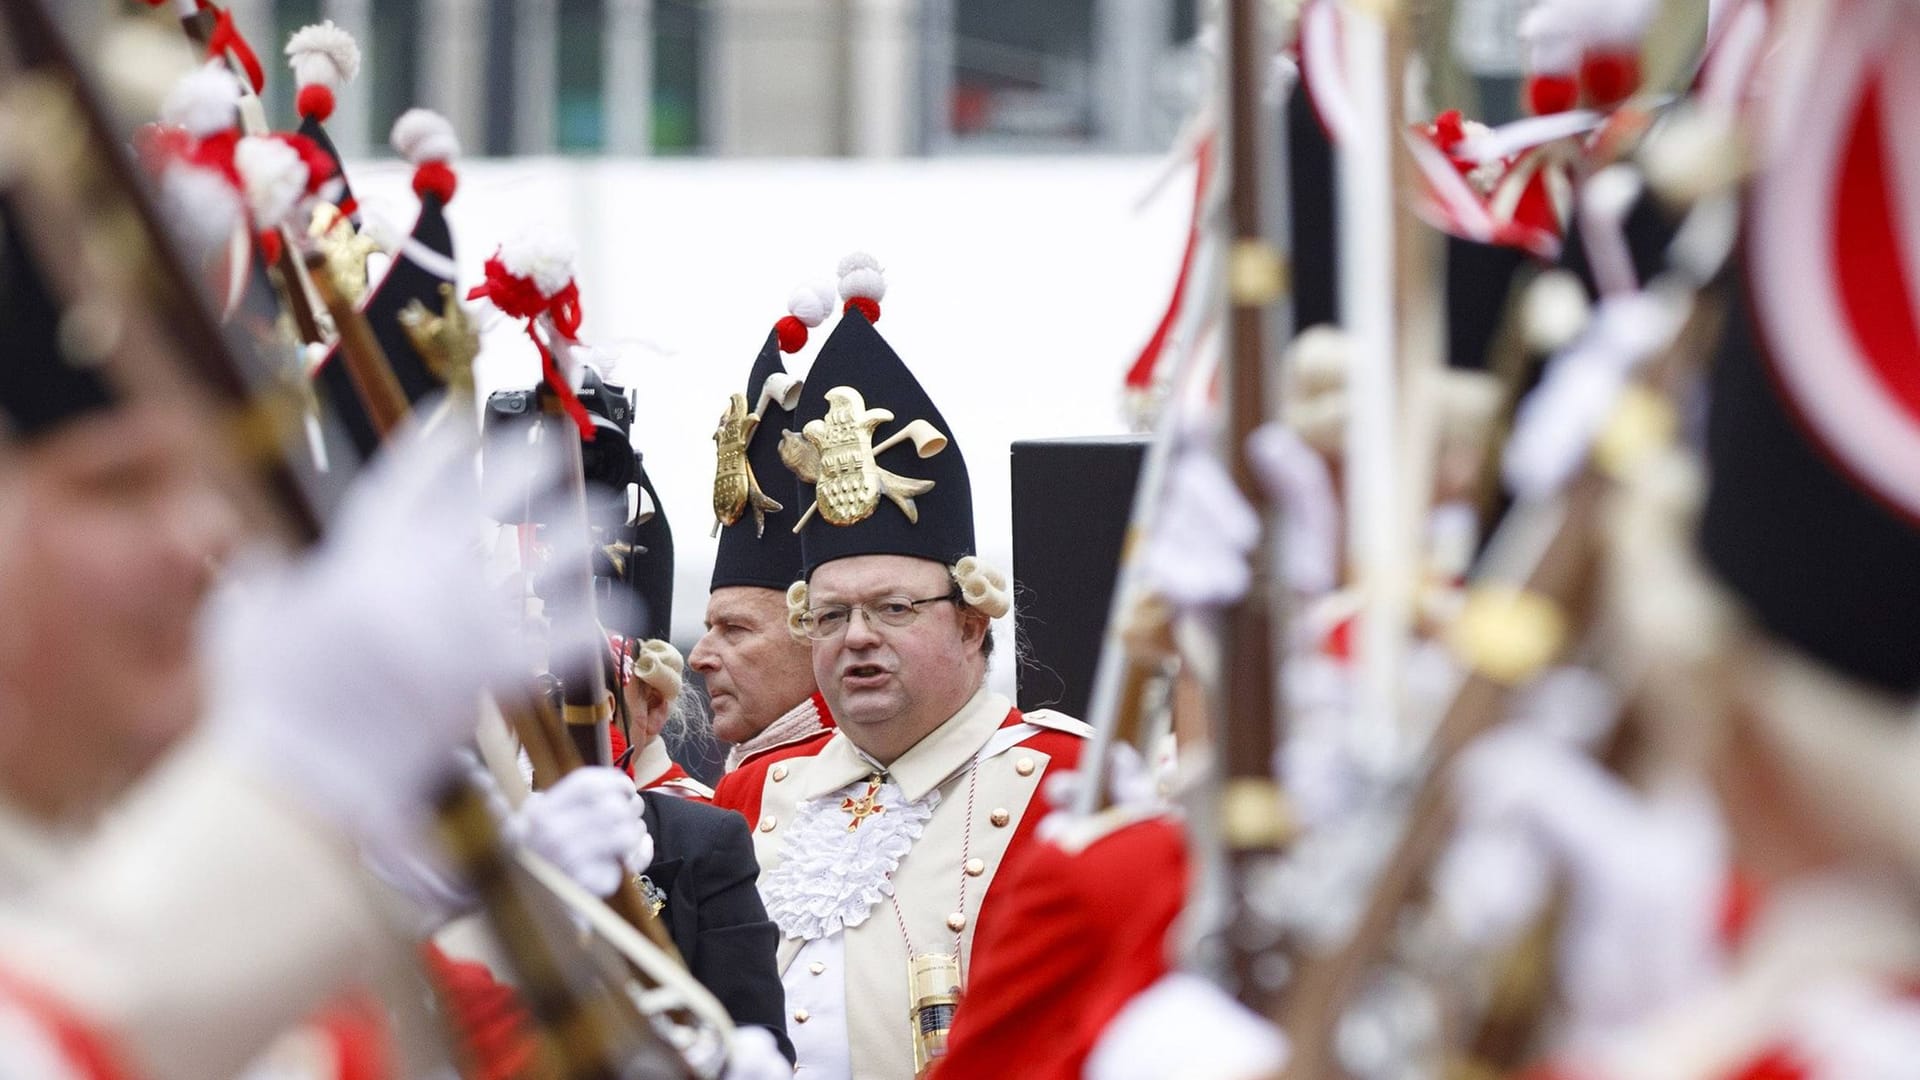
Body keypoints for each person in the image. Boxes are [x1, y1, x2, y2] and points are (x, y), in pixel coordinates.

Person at [717, 254, 1089, 1080]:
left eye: (892, 609)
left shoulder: (1074, 779)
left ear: (969, 622)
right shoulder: (752, 793)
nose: (856, 638)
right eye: (832, 614)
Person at [694, 286, 840, 776]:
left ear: (821, 636)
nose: (698, 657)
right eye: (711, 628)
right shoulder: (743, 778)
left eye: (734, 629)